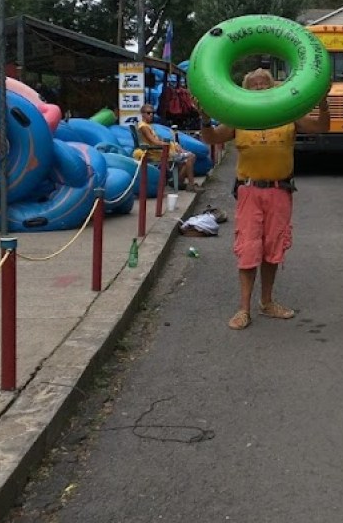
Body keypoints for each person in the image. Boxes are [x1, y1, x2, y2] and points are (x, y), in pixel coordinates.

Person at [197, 68, 329, 330]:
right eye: (254, 83)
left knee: (273, 247)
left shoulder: (288, 112)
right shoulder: (240, 116)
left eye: (264, 83)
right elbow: (212, 137)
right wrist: (203, 118)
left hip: (280, 190)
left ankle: (267, 302)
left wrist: (323, 102)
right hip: (249, 191)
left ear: (273, 87)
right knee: (248, 248)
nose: (259, 87)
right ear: (246, 89)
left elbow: (321, 127)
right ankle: (244, 309)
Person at [137, 105, 196, 189]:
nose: (151, 115)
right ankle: (190, 184)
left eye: (152, 113)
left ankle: (178, 181)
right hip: (158, 153)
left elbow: (155, 139)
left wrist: (172, 144)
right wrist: (168, 145)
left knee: (186, 157)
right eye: (148, 113)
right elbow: (153, 141)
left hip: (162, 151)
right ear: (142, 114)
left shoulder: (148, 125)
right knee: (191, 156)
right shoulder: (143, 126)